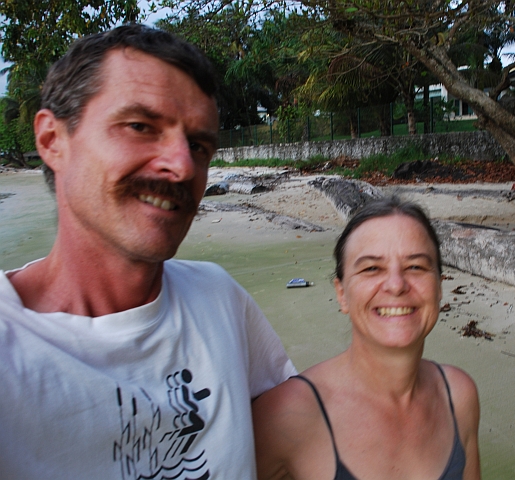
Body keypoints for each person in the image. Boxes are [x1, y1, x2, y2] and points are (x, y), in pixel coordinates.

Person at [0, 25, 295, 478]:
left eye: (199, 145)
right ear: (52, 140)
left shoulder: (219, 299)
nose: (181, 166)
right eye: (140, 126)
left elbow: (299, 435)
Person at [252, 196, 481, 480]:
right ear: (341, 293)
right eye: (372, 268)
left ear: (439, 287)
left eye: (416, 267)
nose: (396, 285)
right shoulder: (286, 416)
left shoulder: (458, 396)